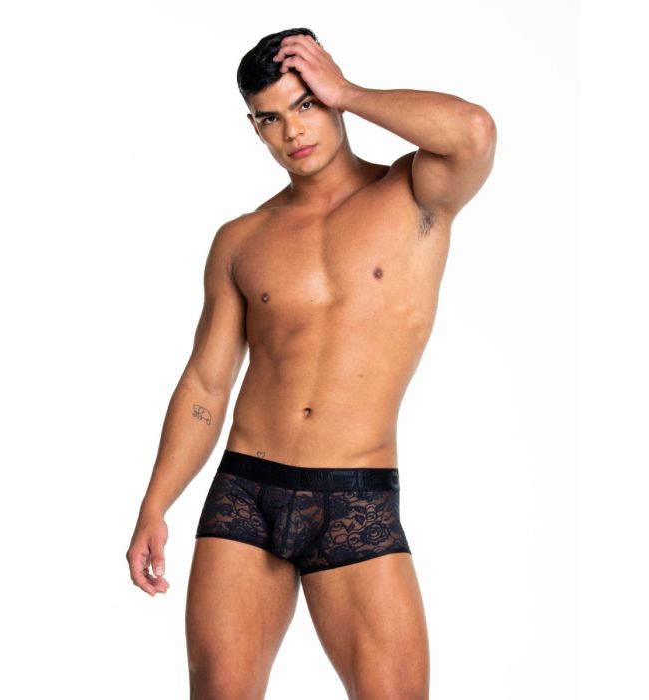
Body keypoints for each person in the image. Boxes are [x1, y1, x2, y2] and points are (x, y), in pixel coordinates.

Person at [126, 26, 496, 699]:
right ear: (254, 128)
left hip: (355, 495)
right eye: (270, 117)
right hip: (245, 494)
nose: (292, 130)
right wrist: (156, 503)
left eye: (306, 104)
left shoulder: (413, 195)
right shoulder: (243, 239)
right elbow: (207, 383)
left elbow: (472, 130)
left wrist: (348, 91)